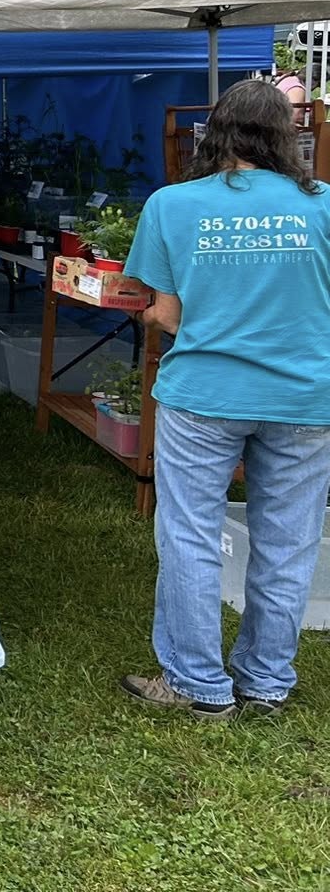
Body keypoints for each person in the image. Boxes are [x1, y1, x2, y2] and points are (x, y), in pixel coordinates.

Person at [119, 80, 330, 721]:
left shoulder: (173, 204)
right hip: (306, 398)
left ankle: (196, 683)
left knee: (190, 535)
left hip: (205, 393)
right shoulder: (323, 204)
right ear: (288, 135)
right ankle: (266, 681)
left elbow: (169, 315)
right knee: (290, 541)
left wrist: (154, 315)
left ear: (215, 133)